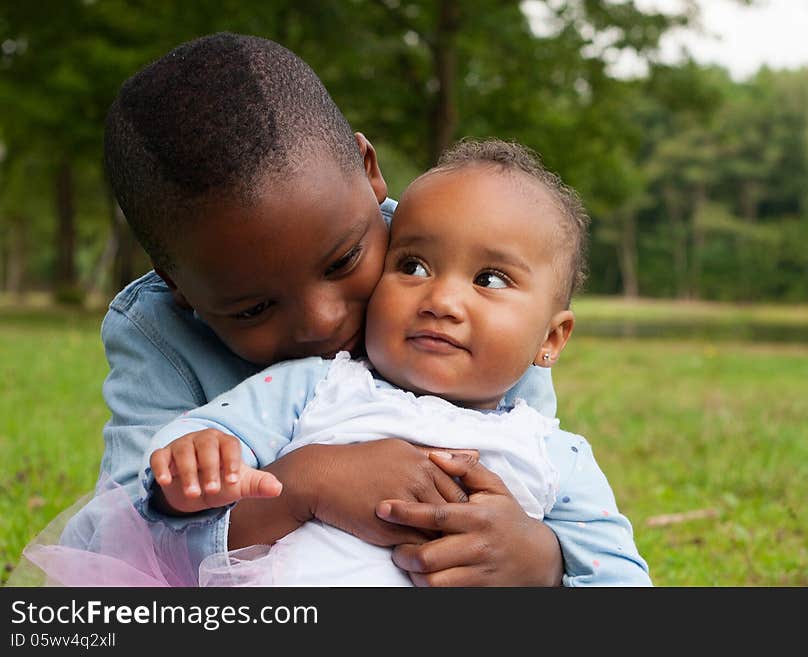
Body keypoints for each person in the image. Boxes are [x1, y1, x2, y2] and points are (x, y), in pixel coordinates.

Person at [20, 32, 566, 587]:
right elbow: (126, 540)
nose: (321, 321)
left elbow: (544, 474)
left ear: (368, 171)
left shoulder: (460, 284)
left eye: (343, 261)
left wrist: (541, 557)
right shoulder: (160, 330)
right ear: (180, 287)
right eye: (255, 308)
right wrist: (307, 484)